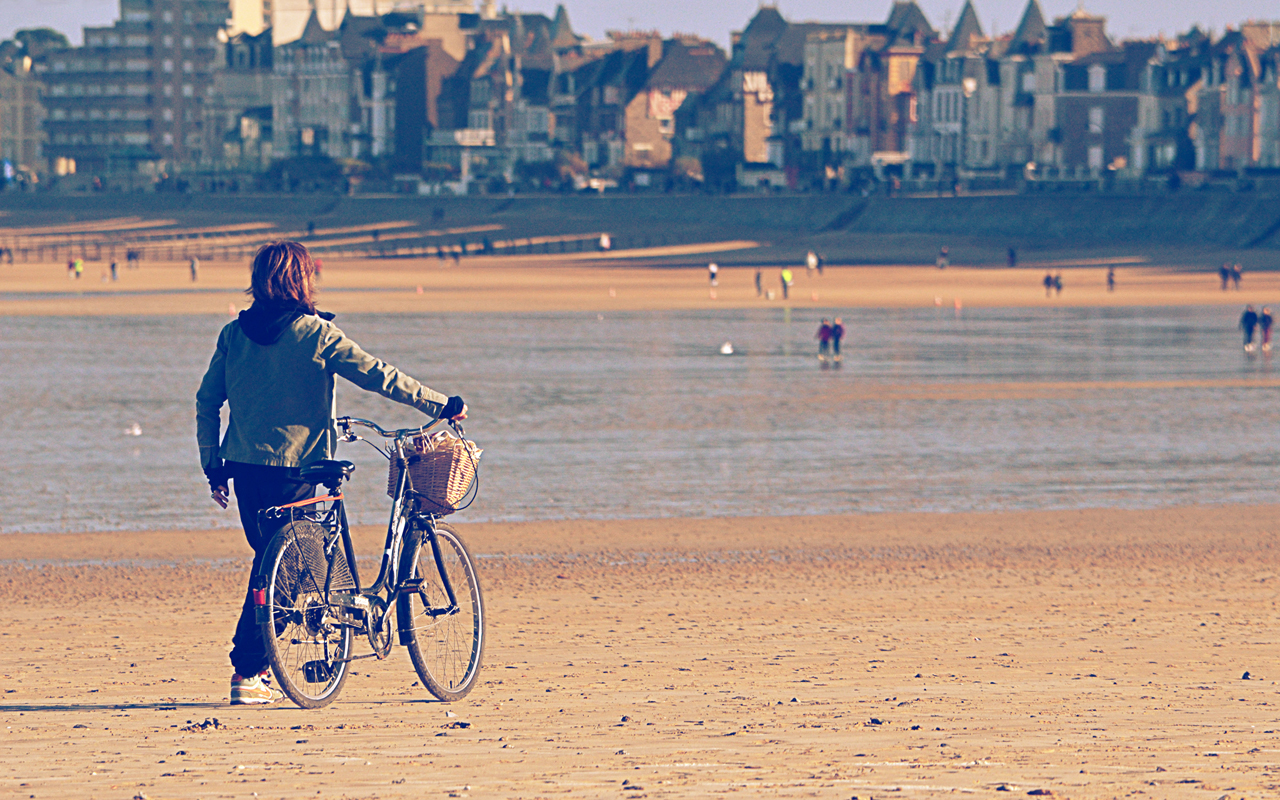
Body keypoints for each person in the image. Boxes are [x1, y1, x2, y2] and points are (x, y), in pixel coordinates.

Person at [196, 241, 467, 705]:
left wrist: (211, 463)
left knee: (272, 561)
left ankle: (257, 666)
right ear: (301, 280)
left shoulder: (233, 334)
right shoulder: (317, 333)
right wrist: (440, 404)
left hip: (244, 470)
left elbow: (207, 401)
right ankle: (249, 669)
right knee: (286, 569)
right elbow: (378, 375)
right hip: (297, 466)